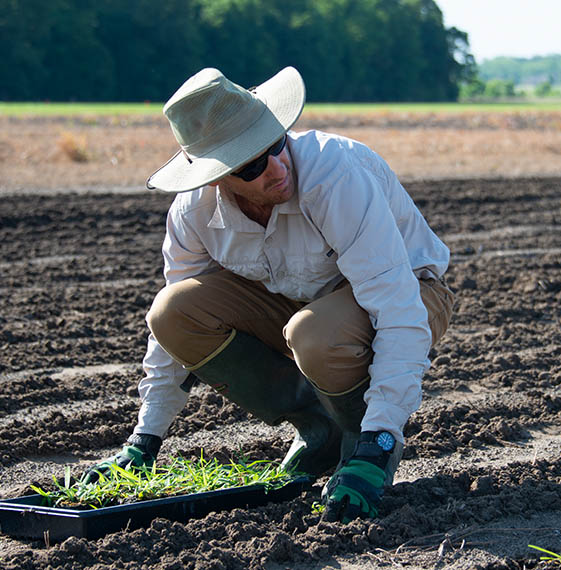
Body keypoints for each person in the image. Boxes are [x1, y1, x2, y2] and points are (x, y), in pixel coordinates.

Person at [84, 66, 454, 523]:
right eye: (253, 165)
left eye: (276, 144)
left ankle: (358, 445)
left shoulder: (332, 177)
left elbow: (398, 310)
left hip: (412, 292)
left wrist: (380, 441)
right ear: (215, 177)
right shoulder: (193, 214)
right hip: (303, 307)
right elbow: (169, 335)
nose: (277, 168)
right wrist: (145, 439)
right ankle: (321, 431)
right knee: (173, 312)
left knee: (315, 334)